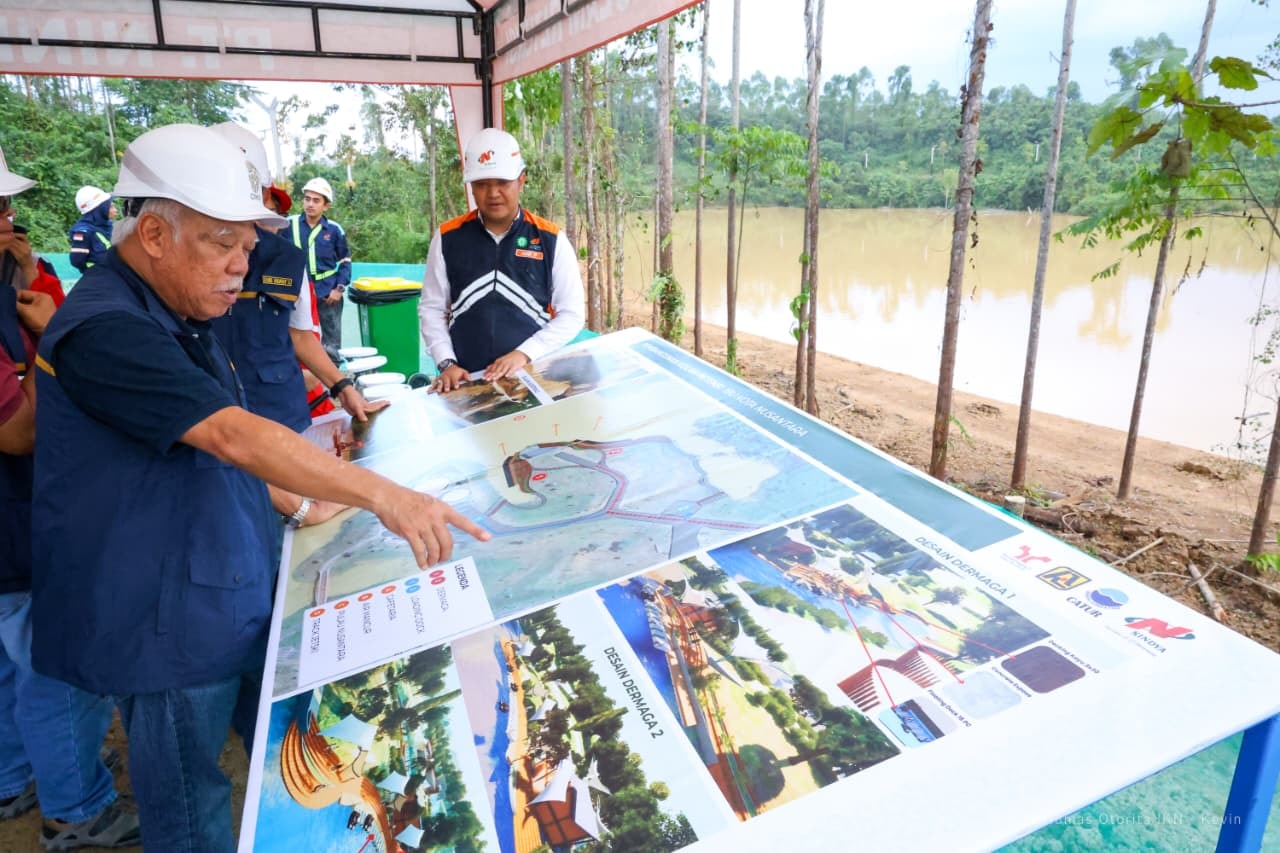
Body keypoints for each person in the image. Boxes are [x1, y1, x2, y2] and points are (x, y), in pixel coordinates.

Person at [28, 123, 490, 852]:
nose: (242, 268)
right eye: (225, 244)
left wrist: (300, 497)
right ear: (153, 232)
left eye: (249, 247)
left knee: (279, 756)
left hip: (222, 581)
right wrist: (387, 496)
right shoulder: (107, 328)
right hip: (165, 620)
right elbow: (230, 434)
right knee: (191, 808)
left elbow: (220, 446)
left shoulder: (179, 308)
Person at [0, 150, 140, 850]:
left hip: (18, 521)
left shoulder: (12, 284)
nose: (11, 221)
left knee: (12, 662)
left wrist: (30, 282)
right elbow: (21, 432)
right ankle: (76, 808)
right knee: (58, 667)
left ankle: (19, 774)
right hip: (18, 522)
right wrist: (48, 343)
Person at [208, 122, 384, 486]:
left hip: (278, 410)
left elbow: (302, 337)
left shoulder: (287, 259)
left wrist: (343, 388)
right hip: (213, 415)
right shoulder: (182, 260)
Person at [419, 127, 584, 393]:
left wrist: (524, 354)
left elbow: (572, 314)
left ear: (521, 180)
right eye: (482, 185)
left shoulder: (551, 239)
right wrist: (446, 363)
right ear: (471, 187)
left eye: (502, 183)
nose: (493, 193)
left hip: (530, 378)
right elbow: (432, 309)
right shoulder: (448, 237)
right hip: (465, 382)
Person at [288, 176, 349, 362]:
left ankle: (333, 386)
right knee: (297, 336)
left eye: (316, 200)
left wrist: (338, 289)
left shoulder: (334, 230)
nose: (310, 204)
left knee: (331, 343)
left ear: (326, 206)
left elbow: (345, 260)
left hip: (328, 293)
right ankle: (303, 382)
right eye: (307, 199)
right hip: (297, 292)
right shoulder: (288, 225)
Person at [67, 186, 116, 274]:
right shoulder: (83, 231)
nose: (115, 210)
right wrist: (93, 272)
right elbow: (77, 260)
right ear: (100, 208)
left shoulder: (107, 227)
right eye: (110, 206)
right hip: (97, 279)